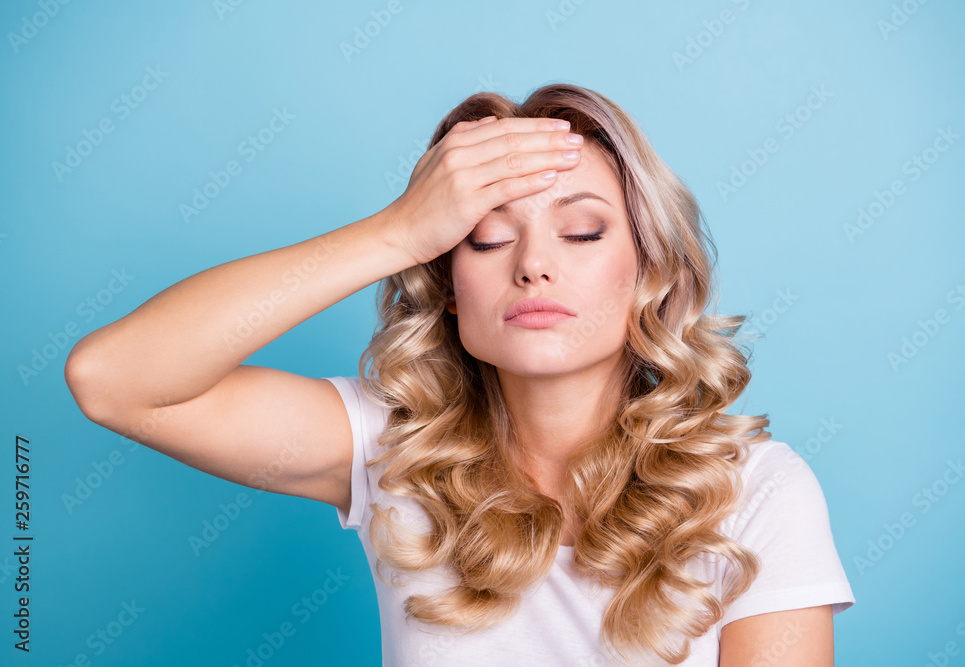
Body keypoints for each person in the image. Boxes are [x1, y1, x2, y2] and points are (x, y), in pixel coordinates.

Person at [65, 83, 854, 666]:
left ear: (650, 271)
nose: (533, 265)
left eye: (582, 232)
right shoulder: (392, 448)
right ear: (447, 287)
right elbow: (112, 379)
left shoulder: (756, 492)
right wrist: (396, 231)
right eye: (486, 238)